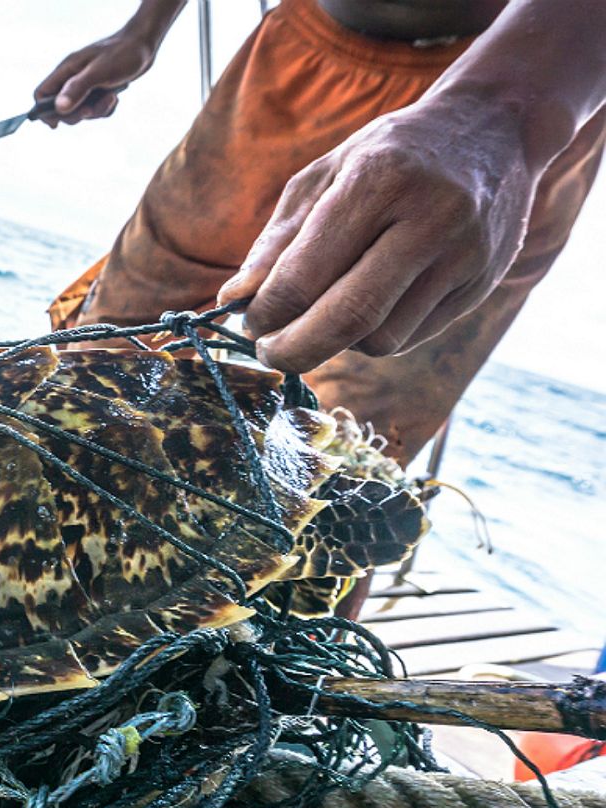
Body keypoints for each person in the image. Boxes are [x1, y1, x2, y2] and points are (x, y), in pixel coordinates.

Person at [36, 0, 606, 467]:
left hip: (534, 87)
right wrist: (144, 27)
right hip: (296, 57)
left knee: (343, 457)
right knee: (91, 373)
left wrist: (507, 110)